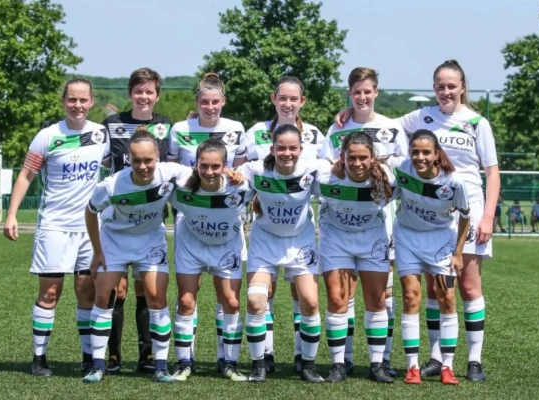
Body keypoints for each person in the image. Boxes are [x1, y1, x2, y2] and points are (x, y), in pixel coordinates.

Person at [335, 59, 499, 382]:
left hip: (468, 210)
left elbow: (492, 173)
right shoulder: (422, 116)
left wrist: (488, 216)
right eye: (440, 86)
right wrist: (352, 113)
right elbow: (382, 125)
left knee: (468, 286)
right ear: (433, 88)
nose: (446, 91)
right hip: (429, 213)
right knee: (433, 289)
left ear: (463, 87)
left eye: (451, 86)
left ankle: (474, 360)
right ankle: (436, 358)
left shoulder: (477, 123)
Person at [3, 78, 109, 376]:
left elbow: (114, 167)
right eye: (72, 99)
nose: (77, 105)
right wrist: (11, 215)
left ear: (92, 102)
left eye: (83, 100)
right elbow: (26, 175)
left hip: (90, 228)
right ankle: (39, 358)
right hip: (54, 227)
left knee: (86, 291)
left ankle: (88, 358)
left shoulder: (100, 134)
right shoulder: (48, 136)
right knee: (50, 292)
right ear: (63, 101)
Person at [82, 128, 194, 383]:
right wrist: (97, 251)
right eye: (137, 161)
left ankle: (161, 366)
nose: (143, 166)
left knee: (156, 296)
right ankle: (97, 366)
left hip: (150, 239)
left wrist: (230, 174)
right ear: (128, 160)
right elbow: (90, 211)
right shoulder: (111, 185)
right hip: (115, 239)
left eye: (148, 160)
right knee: (104, 296)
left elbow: (202, 175)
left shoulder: (171, 173)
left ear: (158, 157)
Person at [320, 67, 408, 377]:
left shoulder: (392, 127)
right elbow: (325, 166)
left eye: (367, 91)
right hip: (338, 223)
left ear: (376, 92)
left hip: (378, 222)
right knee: (340, 296)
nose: (362, 97)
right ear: (349, 93)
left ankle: (381, 361)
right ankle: (341, 360)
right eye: (356, 92)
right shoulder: (336, 129)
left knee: (382, 295)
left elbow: (405, 169)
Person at [242, 76, 325, 374]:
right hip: (265, 239)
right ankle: (261, 361)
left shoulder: (314, 164)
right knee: (257, 300)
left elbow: (337, 179)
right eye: (281, 148)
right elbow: (231, 178)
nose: (287, 153)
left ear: (302, 148)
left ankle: (306, 363)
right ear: (272, 148)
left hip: (300, 240)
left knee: (310, 302)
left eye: (293, 148)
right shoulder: (254, 167)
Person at [167, 72, 247, 372]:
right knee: (187, 299)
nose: (210, 107)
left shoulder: (236, 128)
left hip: (225, 217)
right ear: (197, 102)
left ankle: (227, 360)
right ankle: (185, 361)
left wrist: (235, 178)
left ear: (223, 101)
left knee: (230, 300)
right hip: (191, 215)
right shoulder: (180, 129)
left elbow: (242, 171)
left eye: (215, 102)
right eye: (204, 102)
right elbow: (171, 169)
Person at [100, 67, 172, 374]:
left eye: (149, 91)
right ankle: (113, 356)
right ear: (130, 93)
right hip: (116, 219)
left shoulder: (166, 125)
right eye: (138, 91)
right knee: (118, 289)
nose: (144, 96)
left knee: (147, 289)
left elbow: (173, 166)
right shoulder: (111, 124)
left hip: (150, 218)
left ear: (157, 95)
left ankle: (146, 355)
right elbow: (103, 161)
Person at [314, 131, 396, 383]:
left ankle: (377, 365)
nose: (357, 163)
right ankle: (339, 364)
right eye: (351, 158)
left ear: (373, 157)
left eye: (363, 158)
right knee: (337, 299)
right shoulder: (326, 176)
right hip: (335, 239)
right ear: (342, 156)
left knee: (377, 300)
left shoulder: (388, 178)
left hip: (372, 239)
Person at [394, 129, 471, 385]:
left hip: (441, 242)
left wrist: (458, 253)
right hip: (407, 238)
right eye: (415, 152)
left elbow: (465, 216)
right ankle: (412, 367)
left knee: (447, 297)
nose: (420, 157)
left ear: (436, 154)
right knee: (410, 297)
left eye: (426, 152)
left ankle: (447, 366)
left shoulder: (454, 182)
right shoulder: (401, 169)